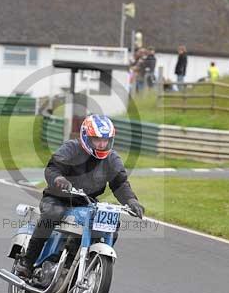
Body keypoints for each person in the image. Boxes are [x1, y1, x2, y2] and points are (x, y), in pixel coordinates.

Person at [14, 115, 144, 280]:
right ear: (86, 136)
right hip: (58, 197)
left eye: (106, 140)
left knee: (110, 222)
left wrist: (131, 201)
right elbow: (52, 168)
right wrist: (59, 179)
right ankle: (28, 261)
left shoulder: (112, 158)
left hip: (86, 202)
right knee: (52, 214)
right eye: (97, 139)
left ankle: (85, 265)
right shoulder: (71, 148)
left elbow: (120, 184)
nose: (102, 144)